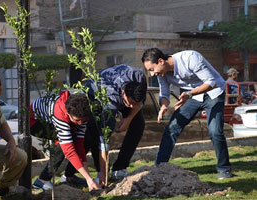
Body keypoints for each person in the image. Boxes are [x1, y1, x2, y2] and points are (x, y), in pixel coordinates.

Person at [141, 48, 232, 180]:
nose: (152, 74)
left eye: (151, 69)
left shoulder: (190, 58)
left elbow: (211, 82)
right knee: (172, 129)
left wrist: (190, 94)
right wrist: (163, 106)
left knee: (215, 131)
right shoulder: (162, 73)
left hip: (213, 93)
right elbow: (164, 93)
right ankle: (159, 168)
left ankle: (224, 170)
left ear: (161, 61)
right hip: (192, 97)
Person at [69, 64, 147, 185]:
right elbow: (104, 139)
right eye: (129, 103)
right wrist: (103, 174)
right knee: (94, 134)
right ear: (123, 93)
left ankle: (119, 168)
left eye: (135, 104)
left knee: (138, 125)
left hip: (120, 90)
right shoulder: (109, 98)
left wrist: (129, 118)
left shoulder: (139, 79)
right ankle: (83, 173)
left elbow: (138, 103)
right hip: (95, 93)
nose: (132, 107)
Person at [30, 90, 101, 191]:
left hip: (56, 119)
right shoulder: (60, 113)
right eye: (77, 120)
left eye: (82, 120)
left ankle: (69, 176)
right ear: (68, 113)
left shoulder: (83, 112)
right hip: (34, 121)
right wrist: (89, 179)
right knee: (63, 144)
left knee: (86, 139)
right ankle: (42, 180)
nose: (80, 123)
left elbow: (80, 143)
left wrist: (88, 177)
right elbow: (69, 151)